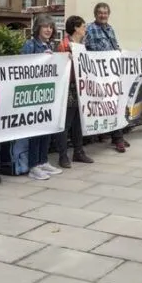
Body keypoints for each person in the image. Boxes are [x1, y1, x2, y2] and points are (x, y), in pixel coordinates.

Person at [20, 14, 63, 180]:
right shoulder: (30, 45)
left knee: (46, 129)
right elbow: (22, 67)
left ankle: (43, 160)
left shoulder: (51, 45)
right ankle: (33, 165)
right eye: (45, 26)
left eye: (50, 27)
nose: (48, 29)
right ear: (38, 28)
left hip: (48, 93)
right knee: (35, 131)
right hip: (34, 93)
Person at [84, 2, 130, 153]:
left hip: (111, 74)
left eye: (105, 13)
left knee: (114, 105)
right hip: (98, 75)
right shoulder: (89, 29)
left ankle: (117, 137)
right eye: (100, 13)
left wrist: (119, 51)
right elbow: (85, 49)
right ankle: (115, 137)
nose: (103, 15)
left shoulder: (110, 29)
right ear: (95, 14)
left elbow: (114, 45)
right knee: (105, 106)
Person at [55, 16, 94, 167]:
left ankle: (79, 151)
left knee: (78, 121)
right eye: (83, 27)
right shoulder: (64, 45)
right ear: (76, 28)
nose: (85, 29)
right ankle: (63, 155)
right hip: (69, 86)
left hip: (81, 86)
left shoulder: (82, 45)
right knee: (67, 122)